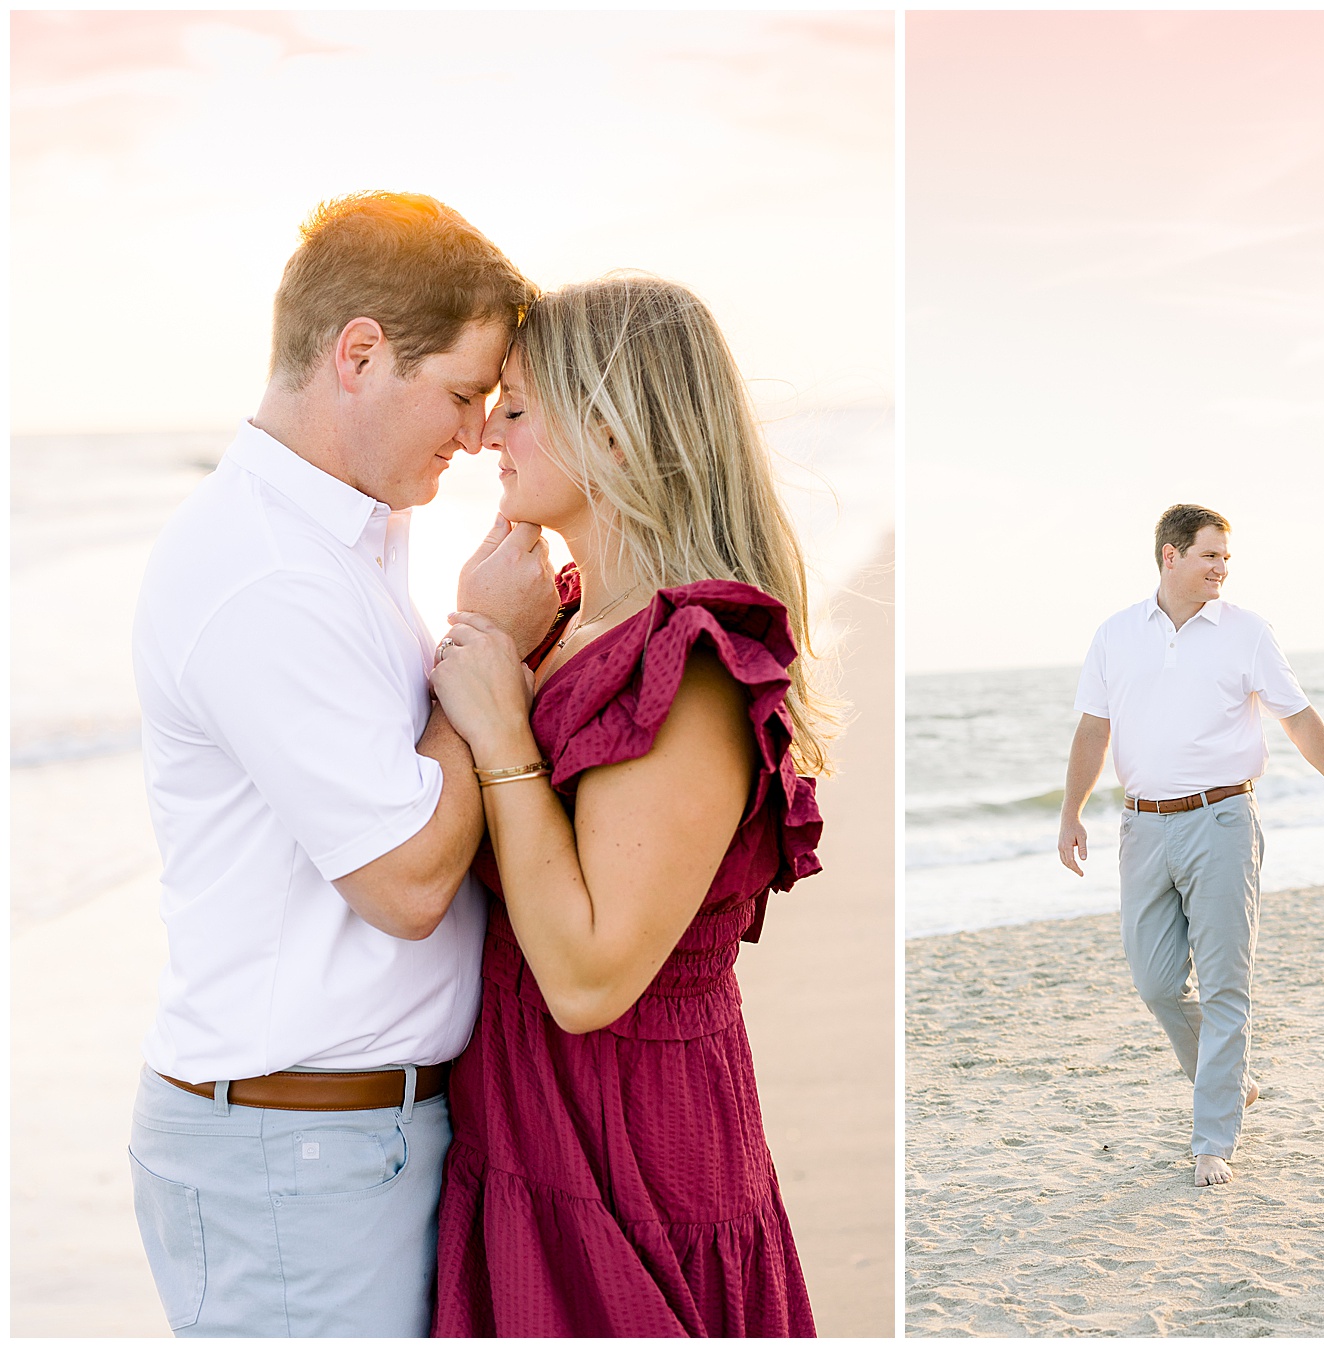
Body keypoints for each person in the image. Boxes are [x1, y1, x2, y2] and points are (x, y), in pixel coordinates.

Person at [128, 192, 555, 1337]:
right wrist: (492, 652)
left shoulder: (344, 545)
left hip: (337, 1141)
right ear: (359, 352)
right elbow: (406, 881)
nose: (476, 434)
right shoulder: (267, 573)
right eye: (463, 393)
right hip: (294, 1158)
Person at [426, 273, 830, 1336]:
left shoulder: (689, 663)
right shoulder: (561, 620)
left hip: (631, 1155)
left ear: (611, 435)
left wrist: (504, 731)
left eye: (516, 406)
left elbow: (589, 977)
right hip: (527, 1129)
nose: (487, 436)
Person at [1057, 505, 1324, 1188]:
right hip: (1142, 824)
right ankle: (1232, 1082)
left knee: (1226, 985)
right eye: (1210, 556)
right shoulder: (1115, 635)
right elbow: (1093, 730)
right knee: (1154, 982)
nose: (1221, 569)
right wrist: (1072, 812)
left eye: (1226, 559)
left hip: (1223, 820)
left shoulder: (1248, 633)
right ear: (1171, 556)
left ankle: (1214, 1139)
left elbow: (1298, 719)